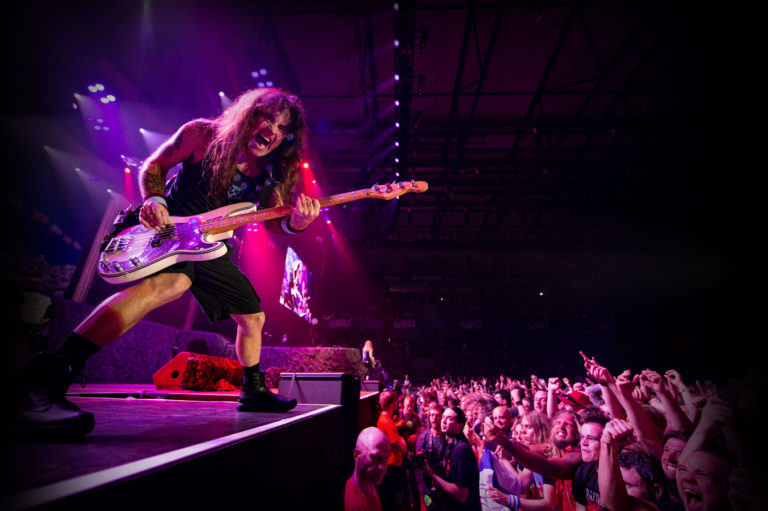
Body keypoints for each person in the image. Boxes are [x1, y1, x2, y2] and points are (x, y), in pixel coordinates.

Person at [14, 88, 320, 438]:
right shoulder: (202, 135)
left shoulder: (271, 174)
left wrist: (297, 223)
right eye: (267, 117)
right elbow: (155, 166)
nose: (272, 130)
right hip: (169, 232)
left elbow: (274, 221)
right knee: (173, 283)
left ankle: (252, 390)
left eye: (282, 128)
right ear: (250, 113)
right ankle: (45, 377)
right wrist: (155, 200)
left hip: (211, 247)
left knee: (253, 317)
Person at [422, 406, 481, 510]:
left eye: (449, 418)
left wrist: (433, 475)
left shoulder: (461, 450)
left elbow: (461, 495)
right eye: (443, 417)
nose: (443, 421)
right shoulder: (448, 444)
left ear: (460, 425)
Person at [346, 427, 392, 511]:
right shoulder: (350, 502)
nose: (381, 467)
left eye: (386, 458)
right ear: (357, 455)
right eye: (374, 457)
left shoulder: (371, 489)